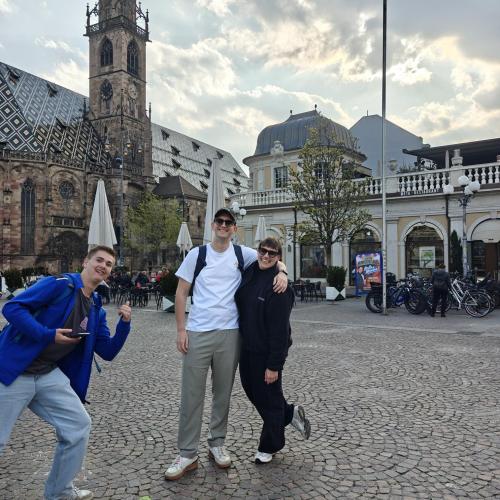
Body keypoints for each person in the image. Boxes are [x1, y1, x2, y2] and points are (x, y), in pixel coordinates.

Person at [0, 246, 132, 500]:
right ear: (85, 262)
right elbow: (12, 308)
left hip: (47, 375)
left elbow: (107, 351)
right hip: (14, 371)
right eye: (99, 260)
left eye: (109, 264)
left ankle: (59, 493)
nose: (103, 266)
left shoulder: (96, 307)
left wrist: (125, 325)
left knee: (78, 425)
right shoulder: (59, 284)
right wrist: (47, 334)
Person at [165, 208, 288, 480]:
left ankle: (217, 443)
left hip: (231, 334)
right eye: (219, 221)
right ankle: (187, 453)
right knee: (191, 395)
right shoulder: (197, 255)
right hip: (197, 332)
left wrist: (283, 272)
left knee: (222, 394)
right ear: (213, 225)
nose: (223, 225)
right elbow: (181, 292)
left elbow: (270, 257)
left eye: (228, 222)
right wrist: (181, 329)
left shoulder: (242, 254)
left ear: (234, 228)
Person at [235, 237, 310, 464]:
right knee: (253, 392)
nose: (266, 256)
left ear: (278, 257)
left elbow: (280, 332)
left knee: (269, 398)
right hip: (246, 348)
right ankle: (289, 414)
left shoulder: (279, 288)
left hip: (266, 354)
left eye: (272, 253)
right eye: (263, 251)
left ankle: (269, 445)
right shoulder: (250, 271)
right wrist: (282, 269)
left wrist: (274, 365)